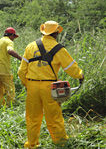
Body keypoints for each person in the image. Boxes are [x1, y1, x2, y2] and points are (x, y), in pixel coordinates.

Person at [18, 20, 84, 148]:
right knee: (54, 117)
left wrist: (27, 84)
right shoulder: (58, 48)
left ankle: (32, 144)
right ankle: (60, 143)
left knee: (32, 118)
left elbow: (21, 71)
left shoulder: (30, 46)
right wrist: (80, 75)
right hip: (49, 87)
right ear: (56, 33)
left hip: (32, 86)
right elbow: (71, 67)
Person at [0, 27, 22, 106]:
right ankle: (10, 107)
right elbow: (10, 51)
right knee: (10, 89)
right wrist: (21, 59)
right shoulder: (9, 41)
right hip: (3, 69)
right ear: (11, 35)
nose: (13, 39)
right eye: (14, 37)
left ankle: (1, 107)